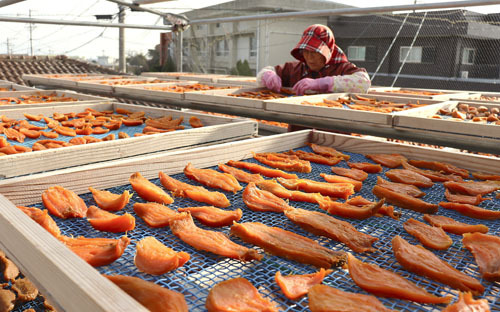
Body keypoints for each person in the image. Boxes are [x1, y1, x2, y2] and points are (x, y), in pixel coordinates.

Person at [257, 24, 371, 96]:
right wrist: (268, 75)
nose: (309, 58)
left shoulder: (341, 68)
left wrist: (324, 83)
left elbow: (363, 83)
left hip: (333, 127)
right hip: (299, 125)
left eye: (315, 52)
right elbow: (267, 71)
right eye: (306, 52)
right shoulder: (296, 69)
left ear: (327, 52)